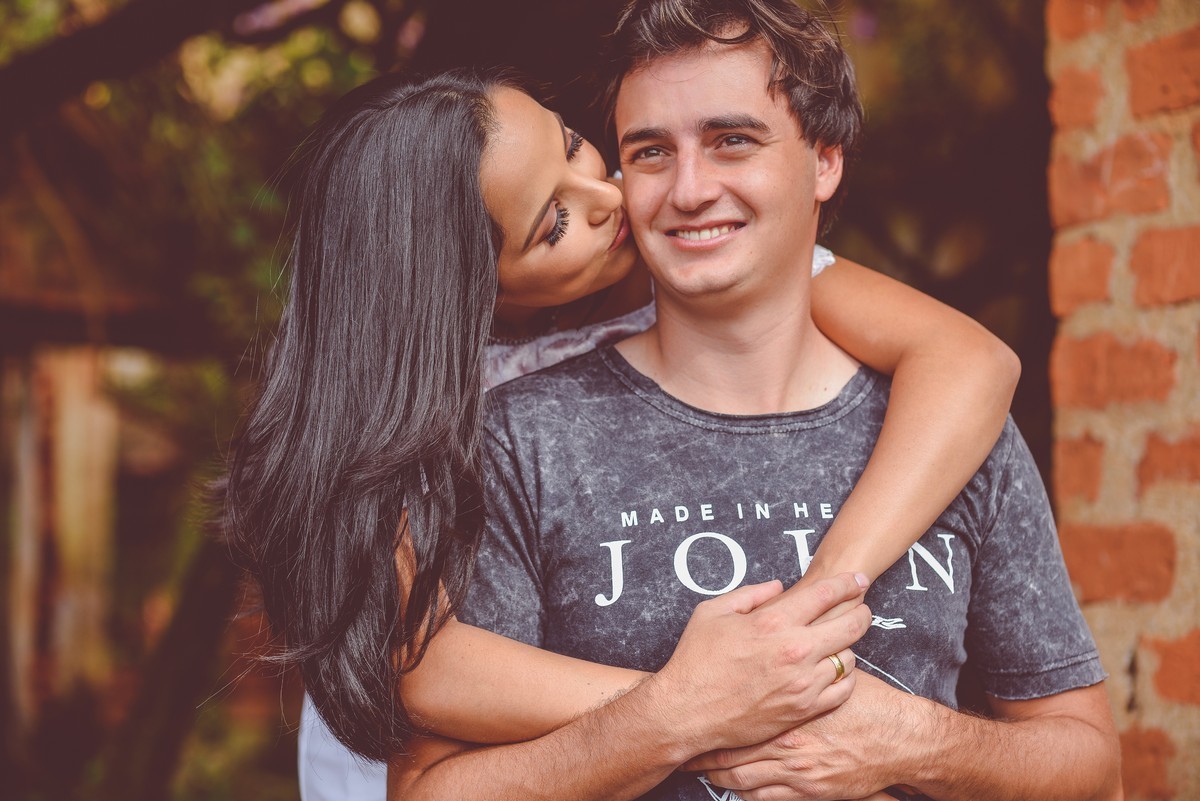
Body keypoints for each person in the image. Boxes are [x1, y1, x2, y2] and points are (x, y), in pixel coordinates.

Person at [222, 30, 1018, 801]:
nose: (611, 200)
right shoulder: (413, 406)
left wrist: (805, 615)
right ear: (467, 291)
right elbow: (429, 670)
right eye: (553, 224)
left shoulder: (703, 267)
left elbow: (972, 363)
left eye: (573, 146)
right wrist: (705, 702)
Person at [385, 1, 1121, 799]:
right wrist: (679, 713)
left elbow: (1093, 771)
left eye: (732, 140)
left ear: (826, 159)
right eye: (651, 152)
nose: (690, 189)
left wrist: (914, 741)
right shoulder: (515, 441)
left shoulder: (949, 428)